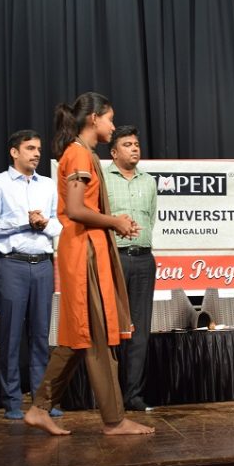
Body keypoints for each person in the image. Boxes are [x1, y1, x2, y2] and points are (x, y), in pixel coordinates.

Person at [24, 92, 154, 435]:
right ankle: (114, 420)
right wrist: (115, 222)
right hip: (84, 252)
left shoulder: (81, 152)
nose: (112, 125)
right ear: (94, 118)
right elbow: (76, 209)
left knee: (78, 335)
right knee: (97, 335)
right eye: (109, 119)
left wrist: (114, 224)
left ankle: (40, 407)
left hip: (85, 249)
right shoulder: (79, 153)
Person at [0, 130, 62, 419]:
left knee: (41, 336)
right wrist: (23, 220)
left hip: (44, 265)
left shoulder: (48, 185)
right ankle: (11, 401)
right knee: (11, 336)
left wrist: (44, 223)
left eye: (38, 148)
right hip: (11, 265)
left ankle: (42, 402)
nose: (37, 153)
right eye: (30, 148)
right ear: (14, 152)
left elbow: (60, 225)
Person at [103, 125, 156, 412]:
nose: (134, 148)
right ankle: (109, 393)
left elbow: (152, 218)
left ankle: (133, 395)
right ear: (114, 152)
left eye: (136, 144)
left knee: (140, 329)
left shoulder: (148, 182)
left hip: (144, 259)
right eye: (127, 144)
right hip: (115, 258)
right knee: (111, 326)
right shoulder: (102, 179)